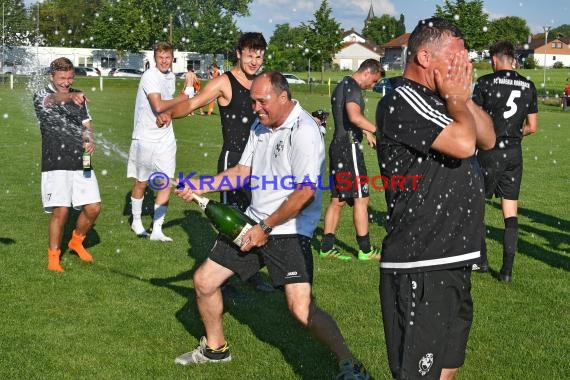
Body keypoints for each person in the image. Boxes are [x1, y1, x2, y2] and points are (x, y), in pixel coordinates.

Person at [173, 71, 370, 379]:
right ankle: (216, 348)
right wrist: (200, 185)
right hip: (253, 221)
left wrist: (265, 228)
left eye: (261, 101)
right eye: (252, 101)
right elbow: (241, 171)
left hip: (289, 229)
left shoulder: (304, 130)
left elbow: (305, 192)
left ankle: (349, 362)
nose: (255, 108)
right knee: (205, 281)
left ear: (282, 97)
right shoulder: (260, 125)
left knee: (301, 309)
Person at [375, 18, 495, 379]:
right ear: (424, 57)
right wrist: (458, 100)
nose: (463, 66)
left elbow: (487, 138)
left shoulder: (446, 99)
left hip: (452, 258)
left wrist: (463, 98)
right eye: (456, 58)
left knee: (447, 367)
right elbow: (463, 144)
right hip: (421, 262)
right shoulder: (403, 98)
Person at [158, 32, 272, 292]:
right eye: (250, 55)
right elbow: (191, 104)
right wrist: (169, 114)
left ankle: (250, 271)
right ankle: (221, 280)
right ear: (239, 53)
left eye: (259, 56)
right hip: (234, 160)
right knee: (231, 221)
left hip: (260, 162)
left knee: (257, 218)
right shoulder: (224, 82)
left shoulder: (262, 82)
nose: (255, 61)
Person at [473, 41, 538, 281]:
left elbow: (473, 119)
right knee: (510, 212)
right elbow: (532, 126)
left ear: (494, 59)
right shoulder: (528, 84)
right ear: (513, 59)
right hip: (514, 152)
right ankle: (507, 271)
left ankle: (481, 262)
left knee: (477, 206)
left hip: (490, 151)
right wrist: (514, 135)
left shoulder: (485, 83)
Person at [33, 57, 102, 272]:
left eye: (70, 77)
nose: (66, 81)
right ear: (51, 76)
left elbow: (86, 125)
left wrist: (89, 140)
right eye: (62, 77)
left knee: (93, 207)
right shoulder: (42, 95)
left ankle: (76, 241)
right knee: (61, 211)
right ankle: (54, 257)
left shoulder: (78, 95)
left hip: (82, 160)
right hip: (55, 162)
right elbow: (52, 100)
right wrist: (71, 95)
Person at [319, 59, 384, 261]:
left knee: (338, 200)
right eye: (373, 81)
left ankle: (326, 247)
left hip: (338, 146)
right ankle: (365, 250)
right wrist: (378, 131)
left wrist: (366, 133)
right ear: (367, 73)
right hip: (349, 149)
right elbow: (354, 117)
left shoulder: (343, 84)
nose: (373, 86)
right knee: (361, 199)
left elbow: (347, 120)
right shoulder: (354, 88)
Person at [127, 42, 190, 241]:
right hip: (144, 138)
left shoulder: (170, 76)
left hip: (166, 138)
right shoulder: (150, 76)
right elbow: (158, 104)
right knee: (141, 182)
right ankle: (136, 221)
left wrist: (168, 114)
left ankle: (157, 230)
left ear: (172, 58)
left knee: (166, 183)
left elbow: (165, 107)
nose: (164, 61)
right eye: (160, 57)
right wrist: (184, 95)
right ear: (155, 58)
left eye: (168, 57)